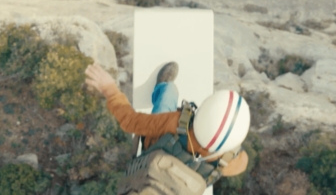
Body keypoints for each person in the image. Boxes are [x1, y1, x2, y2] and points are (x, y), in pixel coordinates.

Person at [84, 62, 250, 182]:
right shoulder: (232, 161)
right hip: (172, 184)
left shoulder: (173, 122)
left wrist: (109, 89)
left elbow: (130, 121)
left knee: (169, 92)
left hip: (154, 153)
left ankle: (162, 86)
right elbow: (239, 162)